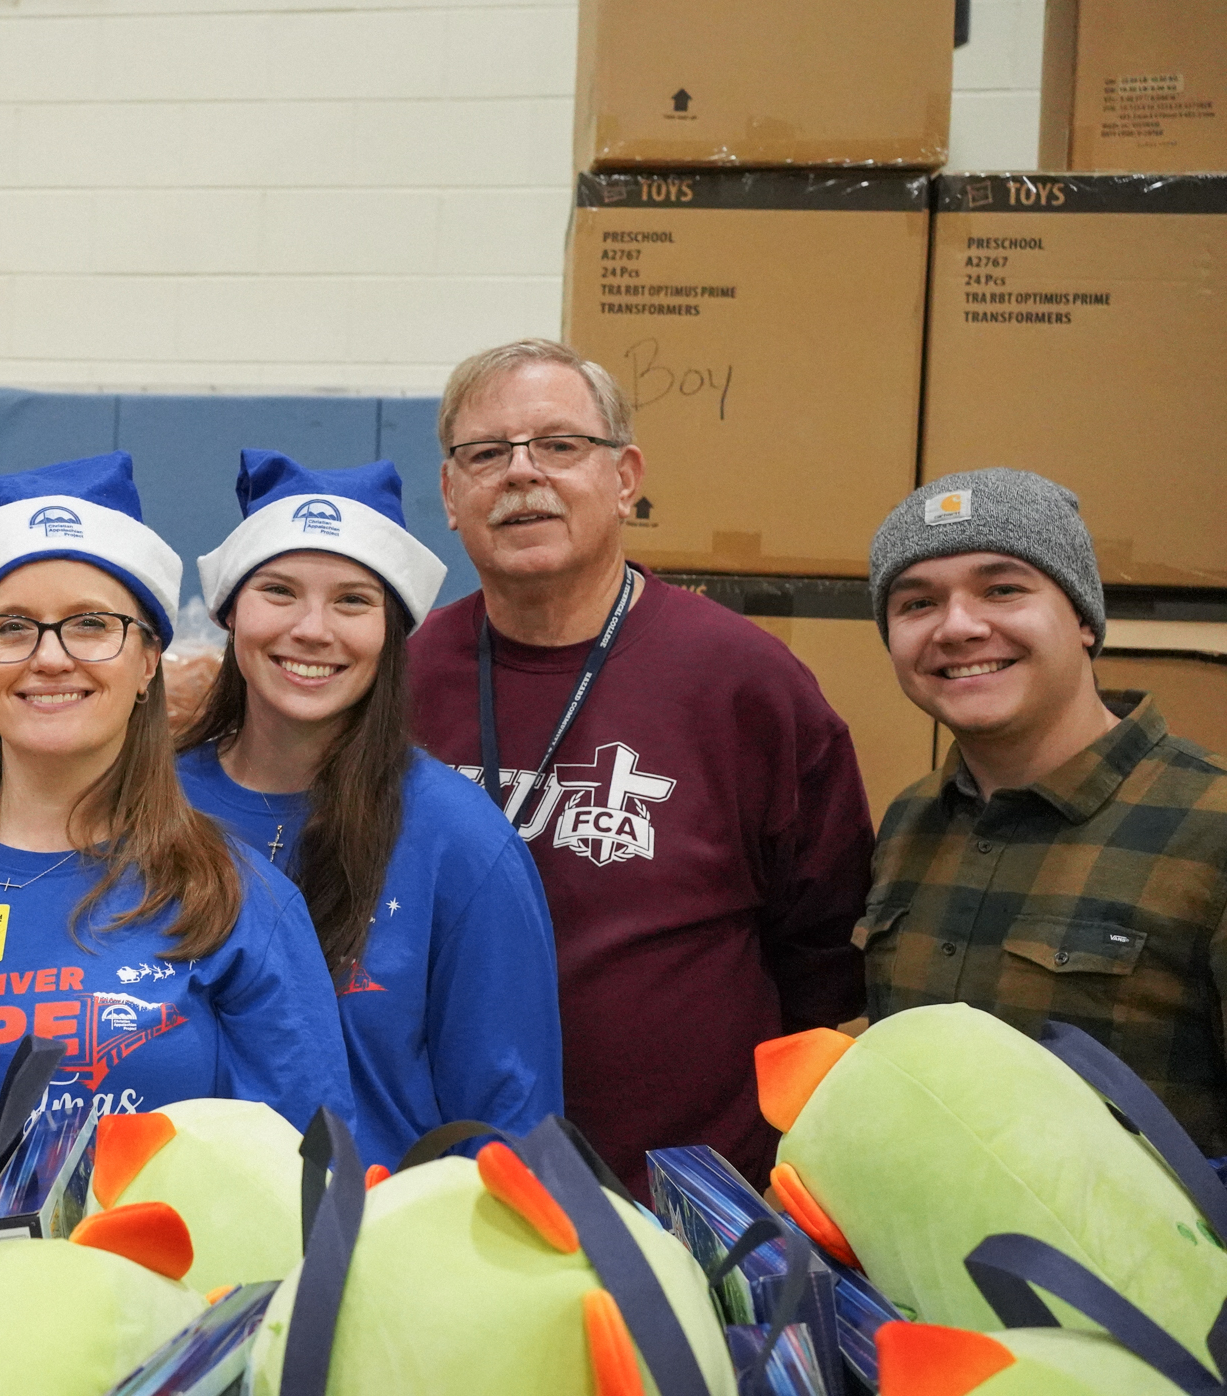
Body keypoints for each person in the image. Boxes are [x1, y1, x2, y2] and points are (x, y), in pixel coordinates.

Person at [405, 338, 872, 1199]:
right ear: (450, 494)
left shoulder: (743, 682)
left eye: (558, 445)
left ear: (624, 478)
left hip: (692, 1196)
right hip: (451, 1191)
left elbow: (823, 952)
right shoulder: (404, 676)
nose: (521, 474)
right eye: (486, 454)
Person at [0, 452, 355, 1168]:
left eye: (91, 624)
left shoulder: (236, 900)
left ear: (148, 659)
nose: (52, 657)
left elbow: (309, 1180)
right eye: (11, 628)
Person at [175, 449, 564, 1169]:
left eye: (352, 601)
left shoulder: (458, 837)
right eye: (280, 592)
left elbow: (511, 1127)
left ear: (392, 630)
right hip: (167, 1249)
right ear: (231, 610)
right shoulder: (149, 812)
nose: (313, 629)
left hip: (382, 1257)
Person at [864, 468, 1227, 1152]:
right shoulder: (909, 823)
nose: (959, 627)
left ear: (1084, 620)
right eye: (916, 604)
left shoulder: (1211, 827)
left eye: (1002, 590)